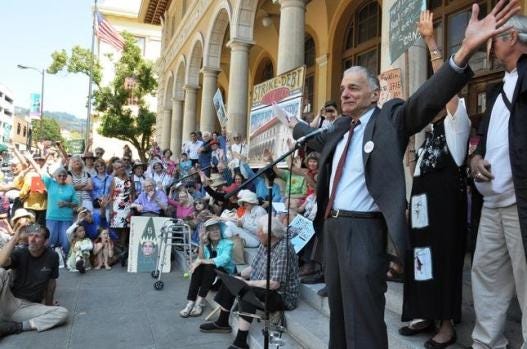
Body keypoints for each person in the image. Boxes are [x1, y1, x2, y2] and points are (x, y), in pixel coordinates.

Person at [288, 2, 519, 347]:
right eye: (342, 88)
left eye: (354, 87)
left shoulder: (388, 120)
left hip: (363, 229)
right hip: (332, 229)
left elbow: (424, 101)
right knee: (338, 313)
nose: (345, 93)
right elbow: (314, 136)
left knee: (363, 315)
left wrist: (465, 50)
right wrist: (293, 126)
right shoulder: (338, 128)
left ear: (375, 94)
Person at [399, 11, 471, 349]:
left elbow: (448, 82)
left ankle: (446, 325)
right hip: (422, 214)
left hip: (445, 214)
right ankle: (425, 313)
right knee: (421, 263)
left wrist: (430, 41)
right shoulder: (429, 133)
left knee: (443, 263)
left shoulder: (458, 125)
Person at [469, 13, 527, 349]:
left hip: (520, 202)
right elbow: (480, 137)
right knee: (486, 276)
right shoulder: (495, 91)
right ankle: (487, 344)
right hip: (492, 205)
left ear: (513, 38)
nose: (489, 44)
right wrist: (475, 159)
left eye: (495, 37)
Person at [199, 216, 299, 349]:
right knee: (232, 280)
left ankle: (241, 342)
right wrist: (237, 276)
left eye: (260, 231)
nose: (257, 233)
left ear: (270, 235)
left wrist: (248, 283)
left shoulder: (283, 249)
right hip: (264, 285)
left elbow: (275, 284)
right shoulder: (266, 243)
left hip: (281, 295)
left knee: (246, 289)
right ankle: (222, 322)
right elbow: (253, 267)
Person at [0, 223, 69, 337]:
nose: (32, 239)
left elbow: (51, 284)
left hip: (26, 308)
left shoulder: (52, 256)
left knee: (62, 313)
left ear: (46, 241)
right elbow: (1, 262)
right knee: (1, 272)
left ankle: (13, 327)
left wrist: (49, 305)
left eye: (37, 236)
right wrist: (16, 237)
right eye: (30, 235)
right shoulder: (20, 252)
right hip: (8, 300)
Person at [180, 218, 235, 318]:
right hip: (210, 279)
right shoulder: (207, 245)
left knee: (209, 265)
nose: (215, 231)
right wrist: (201, 242)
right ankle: (190, 303)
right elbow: (201, 258)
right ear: (207, 233)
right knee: (199, 267)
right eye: (212, 229)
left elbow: (224, 259)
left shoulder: (227, 243)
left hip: (224, 280)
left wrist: (201, 261)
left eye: (217, 229)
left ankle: (199, 303)